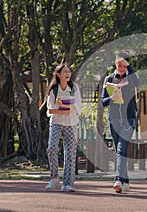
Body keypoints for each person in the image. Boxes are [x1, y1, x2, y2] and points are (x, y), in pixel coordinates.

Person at [101, 51, 140, 193]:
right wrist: (112, 97)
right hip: (114, 119)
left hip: (129, 119)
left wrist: (129, 68)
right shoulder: (109, 79)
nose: (121, 67)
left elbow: (137, 82)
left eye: (124, 65)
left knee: (121, 149)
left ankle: (118, 179)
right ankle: (125, 180)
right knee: (119, 150)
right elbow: (102, 102)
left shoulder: (132, 77)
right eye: (118, 64)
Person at [45, 63, 82, 192]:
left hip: (71, 123)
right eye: (64, 72)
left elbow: (77, 107)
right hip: (56, 122)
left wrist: (63, 106)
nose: (67, 74)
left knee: (70, 154)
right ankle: (54, 177)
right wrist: (65, 109)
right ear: (58, 74)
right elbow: (50, 110)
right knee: (52, 148)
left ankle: (68, 183)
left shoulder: (74, 88)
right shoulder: (53, 90)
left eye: (68, 72)